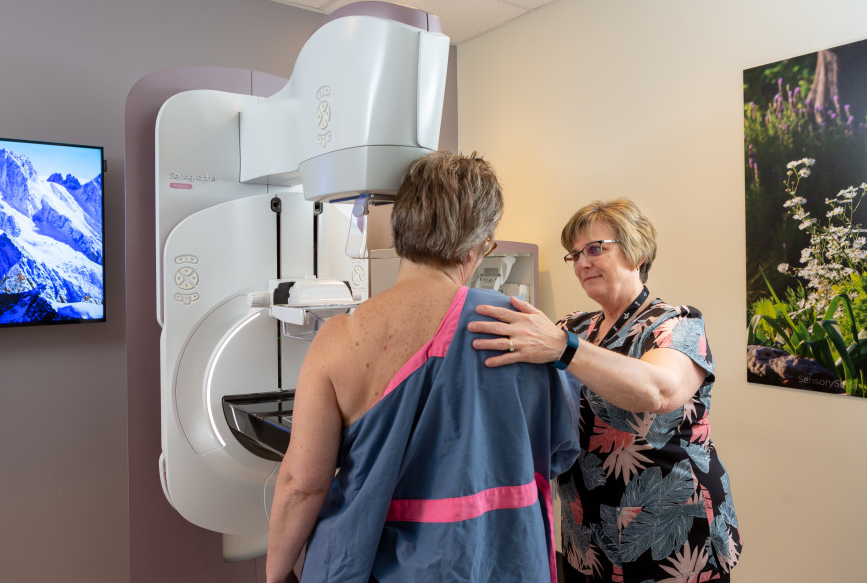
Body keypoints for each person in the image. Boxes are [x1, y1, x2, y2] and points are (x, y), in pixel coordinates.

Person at [266, 151, 581, 583]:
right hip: (497, 560)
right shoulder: (527, 332)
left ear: (399, 231)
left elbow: (302, 485)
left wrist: (276, 573)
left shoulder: (341, 339)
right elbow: (558, 452)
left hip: (367, 564)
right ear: (480, 248)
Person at [468, 198, 742, 583]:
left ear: (638, 251)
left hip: (672, 535)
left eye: (595, 249)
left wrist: (563, 348)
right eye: (574, 255)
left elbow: (658, 390)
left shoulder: (677, 324)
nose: (581, 263)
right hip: (587, 534)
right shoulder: (572, 326)